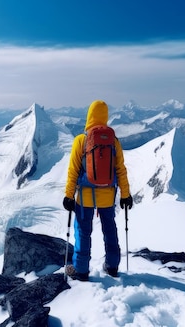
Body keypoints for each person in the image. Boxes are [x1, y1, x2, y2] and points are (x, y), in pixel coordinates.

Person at [63, 100, 133, 281]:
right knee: (110, 230)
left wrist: (69, 195)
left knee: (83, 232)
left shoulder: (81, 140)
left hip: (85, 197)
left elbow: (73, 171)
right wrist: (126, 195)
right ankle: (112, 265)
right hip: (108, 197)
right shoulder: (113, 141)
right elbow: (121, 170)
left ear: (89, 116)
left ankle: (81, 269)